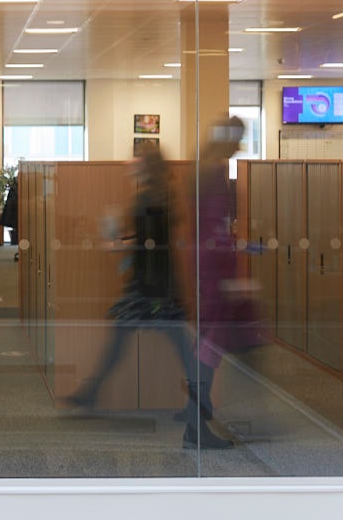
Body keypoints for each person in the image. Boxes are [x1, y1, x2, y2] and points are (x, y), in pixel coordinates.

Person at [60, 147, 231, 450]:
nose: (129, 162)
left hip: (152, 291)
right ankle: (194, 412)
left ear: (145, 164)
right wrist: (127, 244)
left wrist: (120, 246)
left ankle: (196, 416)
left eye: (135, 158)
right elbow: (151, 241)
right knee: (173, 352)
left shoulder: (150, 198)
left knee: (182, 354)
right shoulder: (160, 194)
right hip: (156, 287)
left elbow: (149, 246)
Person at [191, 117, 267, 438]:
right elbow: (213, 230)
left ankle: (196, 412)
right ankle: (194, 424)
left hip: (211, 266)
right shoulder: (213, 173)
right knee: (211, 345)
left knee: (211, 343)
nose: (239, 147)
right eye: (237, 139)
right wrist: (231, 268)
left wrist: (238, 247)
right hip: (216, 271)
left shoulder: (206, 168)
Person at [0, 169, 20, 259]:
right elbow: (13, 203)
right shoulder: (16, 188)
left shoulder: (16, 187)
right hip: (16, 216)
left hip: (16, 216)